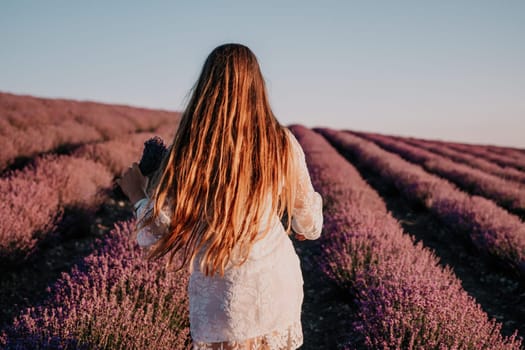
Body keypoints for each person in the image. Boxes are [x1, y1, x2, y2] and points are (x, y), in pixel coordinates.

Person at [117, 43, 323, 350]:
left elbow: (155, 230)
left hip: (224, 295)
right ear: (257, 86)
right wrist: (304, 229)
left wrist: (136, 193)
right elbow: (309, 220)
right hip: (277, 286)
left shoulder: (190, 150)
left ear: (206, 88)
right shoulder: (280, 142)